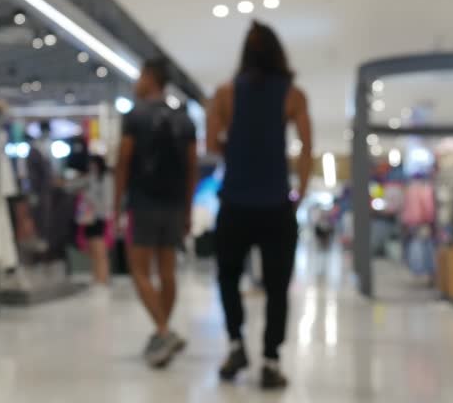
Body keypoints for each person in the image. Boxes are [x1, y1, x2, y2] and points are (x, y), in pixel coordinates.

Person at [206, 21, 313, 389]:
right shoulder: (293, 95)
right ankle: (270, 358)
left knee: (227, 277)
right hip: (276, 205)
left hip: (234, 202)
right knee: (277, 285)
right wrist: (299, 193)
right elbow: (306, 152)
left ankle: (236, 343)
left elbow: (211, 144)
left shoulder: (223, 94)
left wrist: (237, 154)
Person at [114, 58, 198, 368]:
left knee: (139, 271)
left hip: (143, 202)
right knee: (167, 272)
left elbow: (123, 162)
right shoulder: (184, 119)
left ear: (151, 78)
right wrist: (188, 208)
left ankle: (162, 331)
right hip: (175, 204)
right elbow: (192, 167)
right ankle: (162, 332)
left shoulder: (134, 116)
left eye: (140, 76)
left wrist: (116, 203)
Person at [77, 155, 111, 287]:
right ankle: (97, 276)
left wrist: (89, 198)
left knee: (100, 249)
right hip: (88, 218)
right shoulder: (90, 178)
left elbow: (106, 201)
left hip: (99, 217)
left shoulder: (106, 179)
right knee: (92, 249)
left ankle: (103, 277)